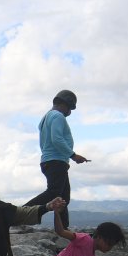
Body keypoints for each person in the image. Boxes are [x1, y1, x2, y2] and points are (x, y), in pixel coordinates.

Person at [24, 89, 88, 227]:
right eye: (70, 108)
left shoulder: (46, 117)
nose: (69, 112)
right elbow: (57, 139)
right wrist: (73, 155)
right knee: (53, 193)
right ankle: (20, 215)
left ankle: (63, 229)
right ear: (64, 104)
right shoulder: (58, 116)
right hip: (56, 161)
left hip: (51, 161)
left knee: (64, 198)